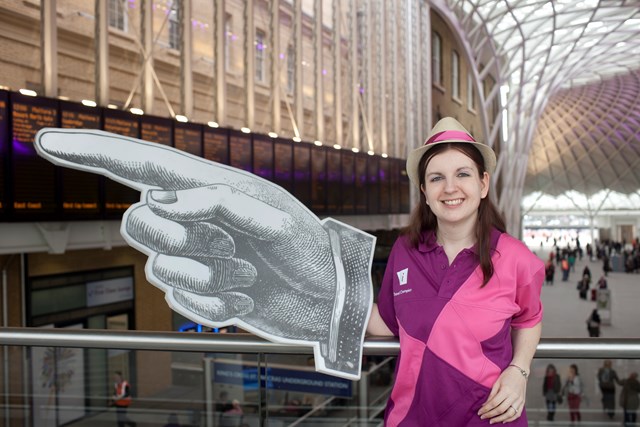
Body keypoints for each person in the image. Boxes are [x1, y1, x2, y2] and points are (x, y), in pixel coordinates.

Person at [366, 118, 544, 425]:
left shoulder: (516, 257)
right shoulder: (404, 251)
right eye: (436, 178)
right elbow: (387, 318)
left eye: (463, 174)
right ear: (424, 191)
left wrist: (519, 370)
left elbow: (529, 318)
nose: (450, 188)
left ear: (483, 183)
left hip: (490, 417)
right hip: (411, 418)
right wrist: (324, 296)